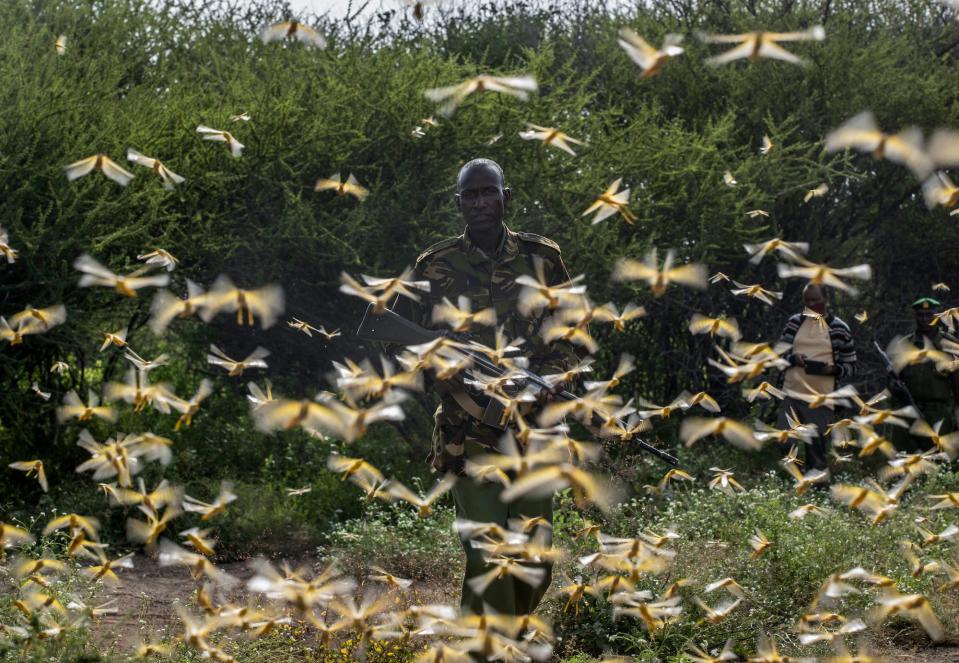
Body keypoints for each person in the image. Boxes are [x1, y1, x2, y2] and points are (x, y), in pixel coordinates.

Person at [393, 158, 577, 617]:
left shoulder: (543, 258)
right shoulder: (432, 266)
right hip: (467, 428)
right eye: (470, 195)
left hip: (534, 425)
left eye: (487, 192)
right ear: (458, 203)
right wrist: (445, 366)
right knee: (487, 553)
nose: (479, 202)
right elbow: (398, 342)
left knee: (535, 554)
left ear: (505, 197)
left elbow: (572, 332)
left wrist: (554, 378)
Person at [777, 283, 856, 474]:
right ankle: (793, 483)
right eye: (807, 300)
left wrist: (834, 370)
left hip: (820, 399)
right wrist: (792, 359)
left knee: (816, 448)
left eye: (816, 300)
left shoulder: (839, 328)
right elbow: (778, 358)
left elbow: (851, 365)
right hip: (792, 394)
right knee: (786, 443)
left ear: (825, 300)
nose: (811, 304)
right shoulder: (794, 323)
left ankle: (817, 487)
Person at [890, 297, 959, 451]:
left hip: (938, 414)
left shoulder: (950, 345)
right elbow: (893, 381)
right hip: (909, 411)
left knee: (938, 460)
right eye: (921, 315)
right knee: (903, 460)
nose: (925, 319)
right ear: (915, 316)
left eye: (930, 315)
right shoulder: (905, 344)